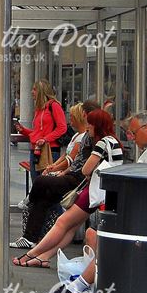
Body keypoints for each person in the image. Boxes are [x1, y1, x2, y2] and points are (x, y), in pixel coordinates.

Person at [42, 111, 147, 293]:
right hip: (142, 214)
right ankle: (90, 285)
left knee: (106, 240)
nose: (131, 137)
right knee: (92, 234)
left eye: (133, 132)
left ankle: (79, 286)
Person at [11, 109, 122, 267]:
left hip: (93, 191)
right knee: (70, 227)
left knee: (63, 222)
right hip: (105, 192)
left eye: (90, 123)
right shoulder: (114, 142)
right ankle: (44, 257)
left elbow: (85, 169)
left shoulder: (102, 143)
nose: (88, 126)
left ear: (97, 125)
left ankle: (31, 254)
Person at [10, 101, 98, 248]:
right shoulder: (80, 136)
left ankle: (29, 201)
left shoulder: (87, 138)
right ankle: (30, 238)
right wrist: (55, 168)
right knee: (43, 199)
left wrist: (59, 171)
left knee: (41, 182)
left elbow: (75, 162)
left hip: (77, 179)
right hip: (73, 176)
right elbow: (69, 157)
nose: (70, 119)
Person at [16, 79, 67, 177]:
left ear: (41, 91)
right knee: (36, 183)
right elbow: (39, 132)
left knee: (45, 184)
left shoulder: (54, 106)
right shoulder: (39, 109)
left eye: (34, 89)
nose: (32, 92)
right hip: (36, 150)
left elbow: (62, 127)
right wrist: (24, 131)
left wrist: (45, 139)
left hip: (49, 151)